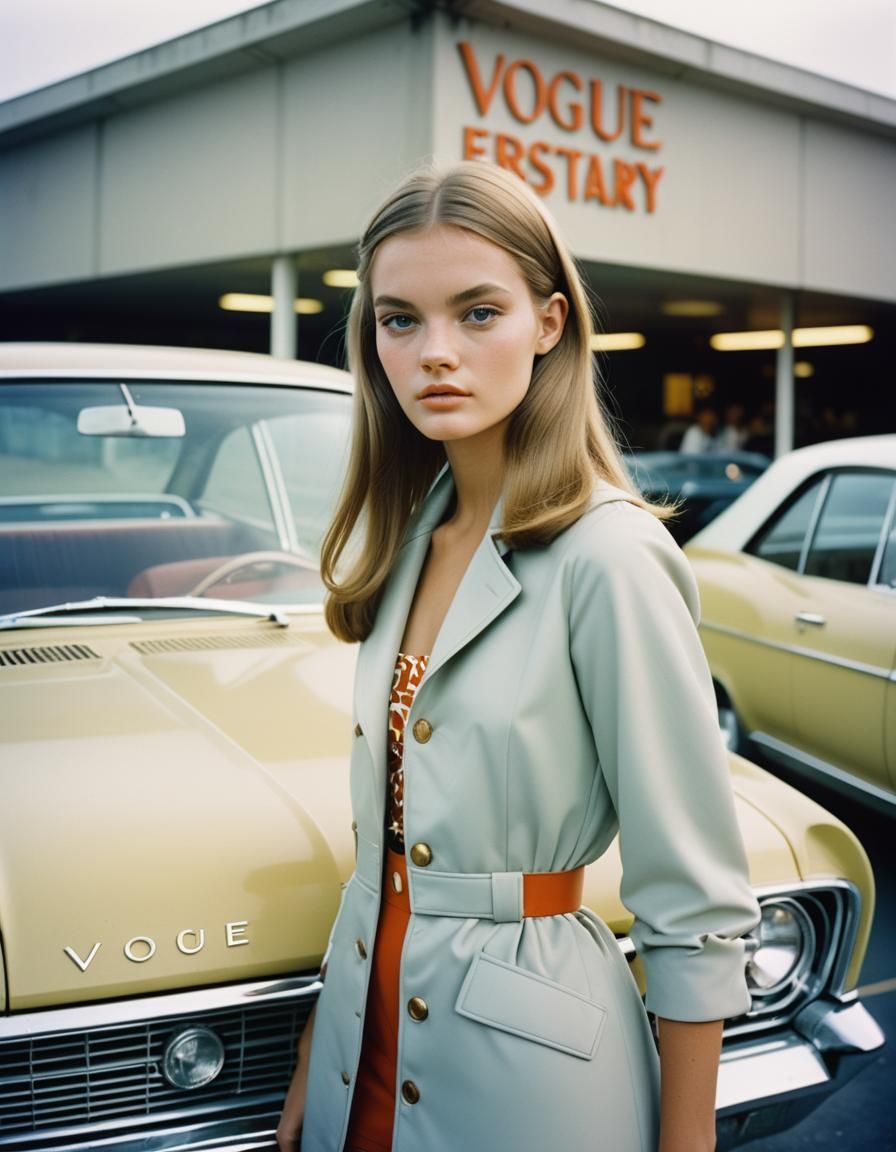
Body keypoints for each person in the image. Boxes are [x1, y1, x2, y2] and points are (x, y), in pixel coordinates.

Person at [277, 160, 760, 1152]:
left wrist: (685, 1144)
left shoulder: (609, 557)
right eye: (398, 319)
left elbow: (693, 904)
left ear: (547, 323)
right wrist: (309, 1073)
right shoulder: (417, 533)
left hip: (527, 1077)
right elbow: (384, 855)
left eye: (476, 313)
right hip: (359, 1063)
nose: (433, 353)